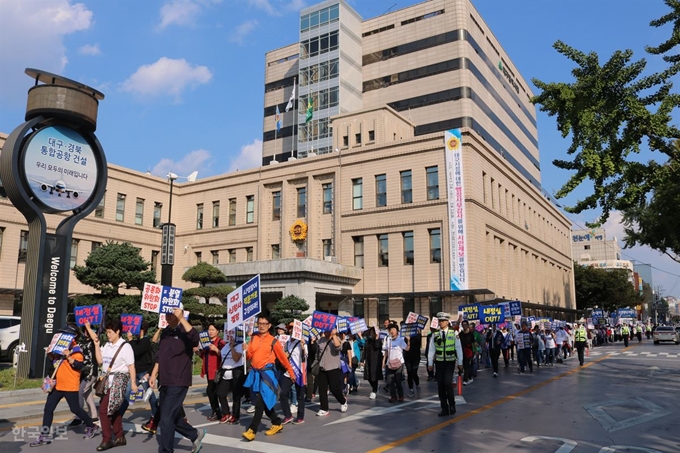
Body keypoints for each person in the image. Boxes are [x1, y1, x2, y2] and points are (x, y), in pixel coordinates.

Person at [30, 324, 99, 447]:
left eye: (66, 334)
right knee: (48, 409)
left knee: (75, 409)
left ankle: (91, 425)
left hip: (69, 386)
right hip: (57, 385)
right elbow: (56, 365)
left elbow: (79, 366)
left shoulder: (77, 350)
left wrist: (69, 356)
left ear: (74, 337)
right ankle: (44, 435)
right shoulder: (60, 350)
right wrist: (51, 356)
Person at [149, 308, 205, 453]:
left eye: (169, 313)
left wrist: (182, 318)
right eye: (165, 314)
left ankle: (166, 451)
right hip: (165, 381)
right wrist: (153, 374)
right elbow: (160, 356)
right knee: (169, 415)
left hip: (179, 380)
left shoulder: (184, 330)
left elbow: (195, 338)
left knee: (166, 418)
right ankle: (194, 434)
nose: (166, 316)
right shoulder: (166, 332)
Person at [241, 315, 295, 441]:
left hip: (267, 375)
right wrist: (246, 350)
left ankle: (252, 430)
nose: (261, 325)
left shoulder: (273, 341)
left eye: (264, 323)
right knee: (264, 402)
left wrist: (291, 373)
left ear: (269, 325)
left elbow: (283, 358)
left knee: (259, 402)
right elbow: (249, 357)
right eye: (260, 323)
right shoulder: (253, 338)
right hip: (255, 374)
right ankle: (276, 423)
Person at [89, 318, 137, 451]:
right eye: (107, 332)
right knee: (113, 409)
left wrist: (133, 383)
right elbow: (100, 361)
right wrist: (97, 345)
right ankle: (120, 436)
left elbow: (131, 366)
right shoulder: (107, 345)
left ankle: (107, 439)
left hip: (118, 382)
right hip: (106, 382)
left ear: (118, 332)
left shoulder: (125, 346)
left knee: (104, 411)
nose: (108, 335)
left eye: (110, 332)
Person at [427, 312, 463, 417]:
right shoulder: (435, 334)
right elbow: (431, 349)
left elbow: (458, 348)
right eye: (440, 321)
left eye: (443, 321)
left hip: (450, 361)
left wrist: (460, 362)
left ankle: (452, 404)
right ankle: (444, 408)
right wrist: (430, 363)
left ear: (447, 322)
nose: (441, 323)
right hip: (439, 362)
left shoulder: (454, 333)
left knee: (447, 383)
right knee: (440, 385)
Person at [119, 321, 156, 418]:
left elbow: (137, 351)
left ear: (142, 330)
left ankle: (156, 415)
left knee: (150, 395)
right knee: (127, 394)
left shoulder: (146, 341)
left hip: (144, 373)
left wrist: (130, 340)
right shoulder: (135, 341)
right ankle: (118, 416)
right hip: (135, 372)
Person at [68, 322, 98, 428]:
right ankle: (94, 415)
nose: (85, 332)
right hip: (83, 372)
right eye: (84, 330)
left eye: (87, 330)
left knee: (80, 392)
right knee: (87, 394)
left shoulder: (94, 342)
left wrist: (89, 327)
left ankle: (78, 416)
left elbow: (96, 338)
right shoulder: (82, 343)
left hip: (91, 373)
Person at [315, 327, 349, 416]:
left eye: (328, 331)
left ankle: (343, 400)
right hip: (322, 367)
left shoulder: (336, 339)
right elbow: (317, 353)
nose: (326, 332)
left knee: (334, 388)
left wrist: (334, 335)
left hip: (333, 367)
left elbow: (338, 348)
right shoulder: (321, 340)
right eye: (325, 330)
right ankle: (324, 408)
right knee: (322, 389)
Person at [196, 323, 226, 421]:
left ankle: (220, 412)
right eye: (209, 330)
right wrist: (197, 351)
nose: (211, 332)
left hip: (217, 371)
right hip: (208, 371)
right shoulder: (206, 342)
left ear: (217, 331)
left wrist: (216, 349)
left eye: (213, 330)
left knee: (212, 391)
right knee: (211, 392)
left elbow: (225, 356)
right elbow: (203, 356)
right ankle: (217, 412)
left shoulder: (221, 342)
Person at [279, 322, 307, 425]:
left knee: (300, 395)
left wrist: (303, 346)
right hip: (289, 371)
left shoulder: (302, 342)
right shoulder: (287, 342)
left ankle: (300, 416)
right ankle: (288, 415)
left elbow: (305, 357)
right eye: (289, 328)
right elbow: (285, 354)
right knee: (283, 393)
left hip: (299, 372)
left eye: (293, 328)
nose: (291, 330)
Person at [216, 331, 245, 425]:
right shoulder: (225, 347)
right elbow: (223, 359)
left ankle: (236, 416)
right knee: (221, 393)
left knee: (236, 396)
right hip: (225, 373)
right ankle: (226, 413)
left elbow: (236, 358)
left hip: (236, 373)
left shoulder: (240, 346)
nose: (230, 337)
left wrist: (232, 347)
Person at [382, 323, 410, 402]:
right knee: (390, 381)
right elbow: (387, 351)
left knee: (398, 380)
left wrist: (408, 341)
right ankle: (393, 396)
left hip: (399, 363)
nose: (392, 331)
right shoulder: (388, 339)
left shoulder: (400, 340)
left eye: (394, 330)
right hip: (390, 363)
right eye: (391, 330)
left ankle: (400, 396)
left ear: (397, 331)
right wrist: (383, 361)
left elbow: (407, 349)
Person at [363, 328, 384, 399]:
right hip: (368, 360)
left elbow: (377, 346)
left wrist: (377, 338)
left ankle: (374, 391)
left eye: (373, 333)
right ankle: (376, 387)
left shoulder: (378, 341)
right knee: (368, 376)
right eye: (371, 333)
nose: (371, 334)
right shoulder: (368, 341)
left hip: (376, 361)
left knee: (374, 377)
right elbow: (365, 350)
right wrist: (362, 360)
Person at [403, 326, 422, 397]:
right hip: (408, 357)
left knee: (414, 372)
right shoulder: (406, 337)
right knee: (409, 373)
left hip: (416, 357)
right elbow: (405, 347)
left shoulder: (418, 336)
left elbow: (418, 343)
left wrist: (419, 331)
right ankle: (411, 389)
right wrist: (408, 340)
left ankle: (417, 385)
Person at [457, 320, 475, 385]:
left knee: (467, 366)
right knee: (463, 366)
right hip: (461, 352)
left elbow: (474, 343)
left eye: (465, 324)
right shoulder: (460, 334)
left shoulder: (471, 334)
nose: (464, 326)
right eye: (463, 324)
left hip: (469, 352)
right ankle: (469, 377)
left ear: (467, 325)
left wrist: (475, 351)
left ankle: (465, 380)